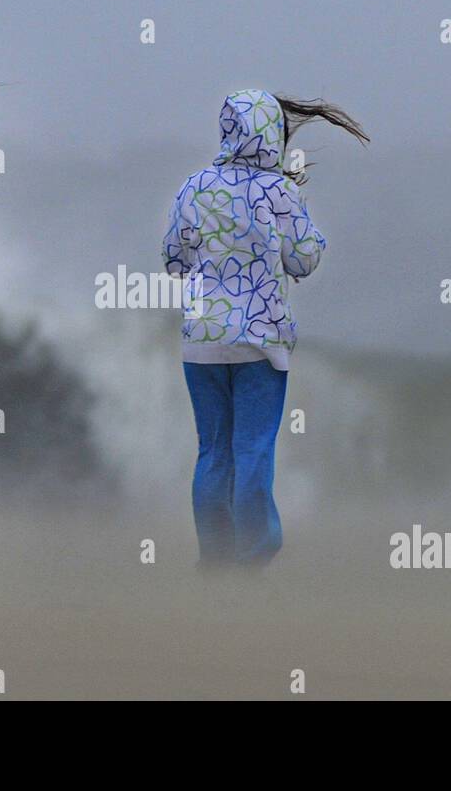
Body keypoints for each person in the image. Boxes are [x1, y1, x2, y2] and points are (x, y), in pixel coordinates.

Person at [162, 88, 368, 568]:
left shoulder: (193, 186)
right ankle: (252, 555)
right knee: (252, 450)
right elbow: (304, 258)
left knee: (213, 451)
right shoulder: (279, 192)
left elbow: (174, 259)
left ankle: (214, 557)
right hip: (261, 341)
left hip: (203, 343)